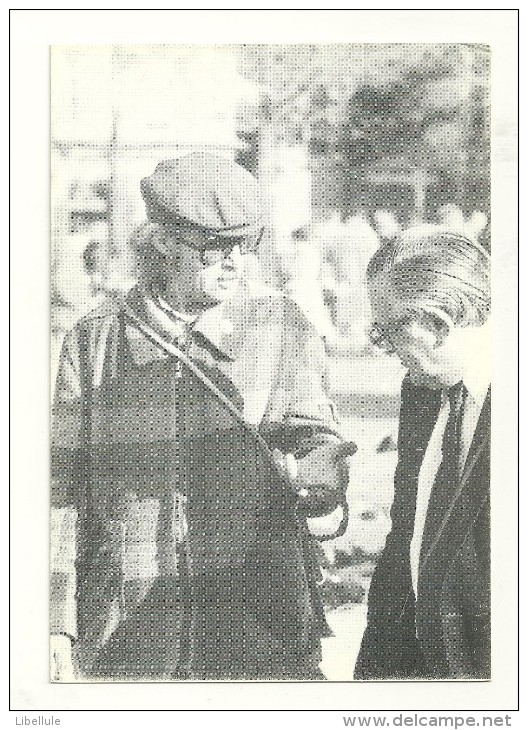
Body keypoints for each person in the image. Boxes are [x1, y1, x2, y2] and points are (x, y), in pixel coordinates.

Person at [50, 152, 354, 681]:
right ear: (164, 241)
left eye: (246, 244)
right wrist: (54, 619)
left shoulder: (281, 325)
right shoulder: (94, 340)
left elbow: (314, 429)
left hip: (260, 618)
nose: (236, 261)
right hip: (129, 628)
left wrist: (324, 469)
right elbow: (59, 492)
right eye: (216, 248)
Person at [354, 226, 491, 680]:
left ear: (437, 323)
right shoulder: (423, 391)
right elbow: (403, 545)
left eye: (388, 331)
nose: (388, 350)